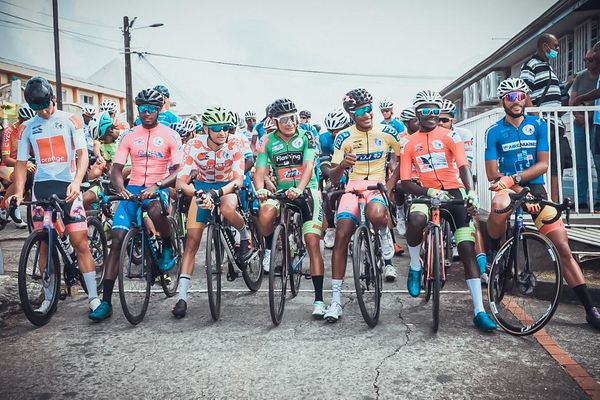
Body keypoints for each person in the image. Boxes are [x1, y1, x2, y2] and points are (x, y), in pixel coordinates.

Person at [485, 78, 600, 330]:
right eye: (511, 97)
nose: (517, 101)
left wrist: (517, 181)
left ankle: (590, 309)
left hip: (534, 188)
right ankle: (495, 249)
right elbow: (492, 173)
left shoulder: (538, 124)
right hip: (508, 189)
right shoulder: (493, 131)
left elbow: (543, 164)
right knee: (498, 204)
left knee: (563, 247)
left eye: (521, 96)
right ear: (502, 101)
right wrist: (515, 187)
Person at [400, 90, 496, 332]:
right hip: (426, 192)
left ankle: (479, 310)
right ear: (417, 114)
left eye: (435, 110)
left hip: (454, 191)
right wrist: (429, 192)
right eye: (426, 110)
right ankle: (414, 266)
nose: (431, 115)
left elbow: (463, 166)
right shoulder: (409, 143)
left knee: (466, 248)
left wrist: (470, 191)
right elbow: (403, 181)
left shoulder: (451, 136)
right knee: (416, 219)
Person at [89, 88, 183, 322]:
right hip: (132, 190)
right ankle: (106, 302)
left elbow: (179, 170)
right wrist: (120, 187)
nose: (147, 113)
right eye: (142, 109)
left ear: (159, 110)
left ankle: (168, 245)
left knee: (153, 208)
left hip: (157, 186)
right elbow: (117, 169)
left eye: (151, 109)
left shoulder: (170, 135)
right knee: (118, 239)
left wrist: (158, 185)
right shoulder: (129, 135)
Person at [12, 76, 100, 317]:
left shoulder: (70, 119)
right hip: (41, 187)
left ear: (53, 98)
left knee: (79, 242)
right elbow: (20, 163)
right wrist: (19, 192)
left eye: (46, 105)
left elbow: (82, 154)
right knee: (43, 243)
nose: (43, 111)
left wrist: (76, 182)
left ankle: (93, 298)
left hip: (67, 185)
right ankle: (48, 298)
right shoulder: (27, 128)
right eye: (37, 107)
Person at [324, 88, 400, 322]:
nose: (366, 114)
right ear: (351, 114)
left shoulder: (387, 132)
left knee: (377, 214)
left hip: (376, 186)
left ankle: (385, 235)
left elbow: (401, 162)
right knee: (342, 232)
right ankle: (336, 300)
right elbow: (333, 178)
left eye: (369, 109)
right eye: (360, 111)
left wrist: (388, 186)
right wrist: (342, 165)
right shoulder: (343, 137)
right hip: (352, 188)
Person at [253, 98, 327, 319]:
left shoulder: (307, 136)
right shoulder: (267, 141)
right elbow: (260, 170)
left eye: (293, 118)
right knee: (265, 215)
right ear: (274, 122)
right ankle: (276, 246)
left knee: (312, 242)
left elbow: (309, 167)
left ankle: (319, 299)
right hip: (282, 191)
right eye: (284, 119)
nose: (290, 123)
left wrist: (300, 188)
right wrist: (260, 189)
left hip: (307, 189)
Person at [172, 107, 248, 318]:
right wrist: (198, 193)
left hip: (227, 187)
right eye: (216, 128)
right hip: (202, 189)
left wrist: (216, 193)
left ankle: (244, 236)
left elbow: (238, 180)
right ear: (206, 129)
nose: (222, 132)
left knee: (226, 207)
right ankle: (182, 297)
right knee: (192, 242)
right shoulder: (193, 145)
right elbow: (181, 181)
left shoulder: (235, 143)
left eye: (226, 127)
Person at [439, 99, 488, 283]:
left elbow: (466, 164)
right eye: (437, 120)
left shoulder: (463, 134)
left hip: (458, 181)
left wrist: (467, 191)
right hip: (437, 184)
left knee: (473, 218)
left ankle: (482, 268)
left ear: (453, 120)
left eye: (444, 120)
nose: (440, 124)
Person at [520, 33, 573, 203]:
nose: (557, 49)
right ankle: (542, 200)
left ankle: (555, 203)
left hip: (555, 123)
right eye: (555, 46)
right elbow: (523, 90)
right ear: (545, 46)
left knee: (557, 166)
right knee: (543, 163)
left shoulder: (548, 67)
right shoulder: (531, 65)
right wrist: (535, 115)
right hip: (543, 123)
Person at [570, 48, 600, 210]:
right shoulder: (581, 77)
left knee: (598, 163)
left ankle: (598, 199)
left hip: (595, 124)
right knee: (581, 163)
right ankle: (581, 199)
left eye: (591, 60)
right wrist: (580, 117)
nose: (587, 63)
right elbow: (572, 101)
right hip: (579, 124)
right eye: (585, 60)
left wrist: (588, 116)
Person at [320, 108, 352, 249]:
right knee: (328, 191)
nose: (334, 134)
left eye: (338, 130)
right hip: (335, 169)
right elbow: (324, 163)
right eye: (331, 131)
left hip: (357, 170)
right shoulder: (325, 138)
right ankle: (331, 227)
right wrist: (332, 173)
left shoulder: (355, 134)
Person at [0, 104, 35, 228]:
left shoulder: (27, 130)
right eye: (25, 121)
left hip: (21, 164)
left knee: (34, 171)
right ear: (20, 119)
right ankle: (5, 206)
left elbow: (32, 152)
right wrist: (24, 164)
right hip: (5, 166)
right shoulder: (9, 131)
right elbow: (5, 158)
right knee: (18, 176)